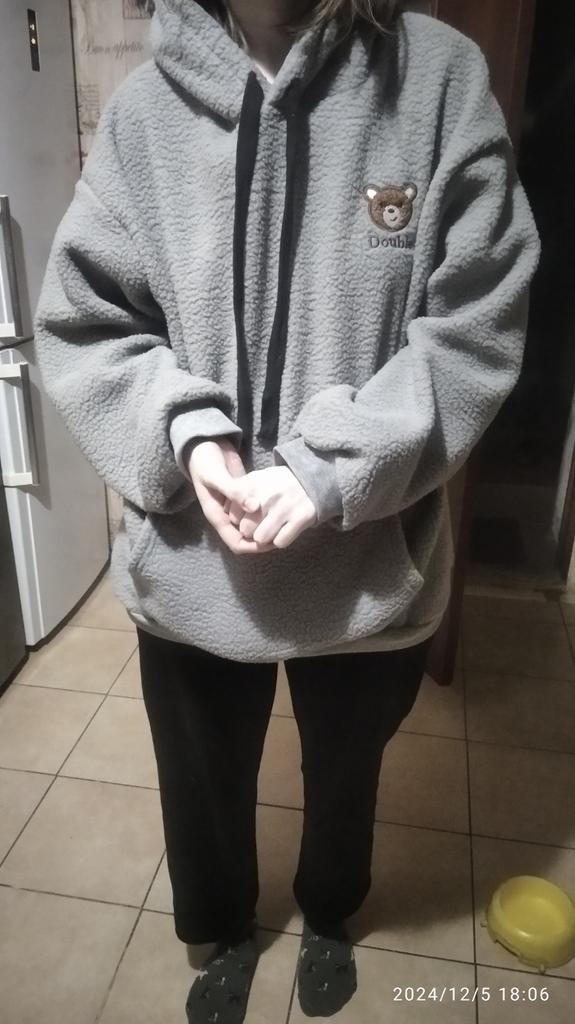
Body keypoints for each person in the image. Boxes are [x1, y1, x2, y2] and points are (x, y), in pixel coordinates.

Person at [33, 0, 540, 1020]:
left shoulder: (439, 81)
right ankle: (222, 928)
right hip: (192, 567)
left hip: (368, 569)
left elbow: (474, 325)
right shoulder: (141, 115)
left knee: (346, 774)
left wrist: (330, 469)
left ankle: (328, 912)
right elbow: (86, 322)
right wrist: (186, 433)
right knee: (200, 778)